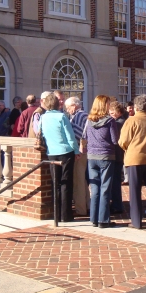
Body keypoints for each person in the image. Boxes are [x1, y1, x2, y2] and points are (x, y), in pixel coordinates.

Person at [118, 95, 146, 229]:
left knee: (135, 192)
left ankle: (136, 222)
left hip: (134, 159)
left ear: (135, 107)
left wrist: (129, 149)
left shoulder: (130, 121)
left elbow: (122, 141)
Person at [40, 93, 80, 223]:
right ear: (57, 104)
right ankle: (66, 215)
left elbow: (40, 134)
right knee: (66, 183)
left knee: (55, 183)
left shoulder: (43, 117)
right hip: (65, 152)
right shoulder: (62, 116)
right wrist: (76, 150)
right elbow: (70, 136)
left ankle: (56, 214)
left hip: (51, 153)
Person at [83, 95, 119, 228]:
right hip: (106, 156)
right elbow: (115, 140)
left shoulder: (89, 120)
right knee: (105, 188)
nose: (110, 106)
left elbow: (85, 136)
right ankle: (104, 220)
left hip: (91, 157)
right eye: (108, 104)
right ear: (104, 105)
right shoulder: (110, 121)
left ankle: (94, 218)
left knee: (95, 188)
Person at [64, 96, 90, 216]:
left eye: (68, 107)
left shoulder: (79, 116)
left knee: (78, 180)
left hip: (80, 152)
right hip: (83, 151)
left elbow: (78, 135)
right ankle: (87, 205)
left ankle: (81, 209)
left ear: (74, 106)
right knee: (82, 180)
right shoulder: (82, 115)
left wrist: (76, 150)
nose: (67, 110)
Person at [108, 101, 127, 214]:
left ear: (118, 112)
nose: (110, 115)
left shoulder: (118, 123)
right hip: (119, 156)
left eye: (112, 113)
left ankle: (117, 205)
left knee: (115, 182)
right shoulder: (122, 121)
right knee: (115, 181)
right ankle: (116, 204)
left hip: (116, 156)